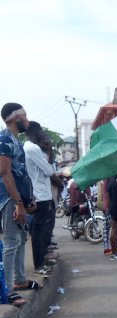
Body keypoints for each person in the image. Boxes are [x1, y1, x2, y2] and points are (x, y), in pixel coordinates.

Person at [0, 103, 37, 306]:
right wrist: (18, 203)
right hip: (9, 199)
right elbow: (5, 173)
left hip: (18, 199)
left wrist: (27, 200)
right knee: (12, 242)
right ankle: (5, 290)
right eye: (25, 115)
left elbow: (20, 173)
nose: (27, 120)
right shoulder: (5, 139)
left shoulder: (14, 140)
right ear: (15, 118)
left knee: (21, 238)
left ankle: (20, 280)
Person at [24, 122, 58, 278]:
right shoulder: (32, 148)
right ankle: (39, 265)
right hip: (40, 195)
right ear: (36, 132)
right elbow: (48, 170)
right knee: (38, 232)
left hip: (41, 194)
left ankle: (41, 261)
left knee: (40, 230)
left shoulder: (31, 148)